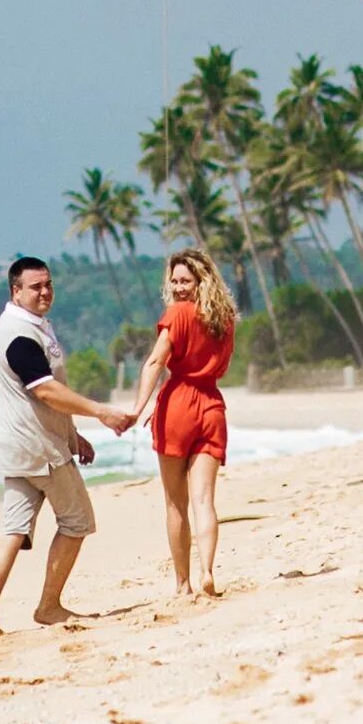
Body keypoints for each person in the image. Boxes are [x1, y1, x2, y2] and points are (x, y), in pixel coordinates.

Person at [0, 256, 133, 638]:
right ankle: (48, 606)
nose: (44, 292)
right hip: (40, 449)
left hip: (19, 447)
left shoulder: (32, 326)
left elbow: (43, 398)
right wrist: (101, 412)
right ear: (16, 291)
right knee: (77, 522)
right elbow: (44, 389)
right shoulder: (18, 335)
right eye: (35, 287)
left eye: (48, 285)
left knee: (12, 530)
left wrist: (74, 435)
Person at [129, 249, 236, 598]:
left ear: (200, 282)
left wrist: (137, 408)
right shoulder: (225, 319)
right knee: (204, 499)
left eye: (185, 281)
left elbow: (155, 361)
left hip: (177, 405)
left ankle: (183, 584)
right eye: (173, 281)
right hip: (212, 406)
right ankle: (207, 569)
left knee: (176, 503)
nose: (177, 288)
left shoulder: (177, 314)